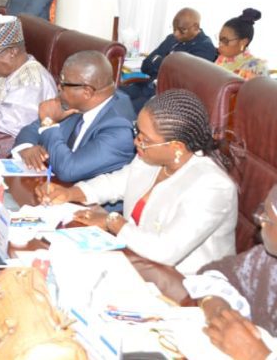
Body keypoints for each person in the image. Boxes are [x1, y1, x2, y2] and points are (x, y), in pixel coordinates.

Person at [40, 89, 237, 275]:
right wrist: (70, 193)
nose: (136, 142)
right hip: (137, 261)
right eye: (137, 131)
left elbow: (165, 251)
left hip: (186, 284)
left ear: (176, 147)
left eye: (145, 139)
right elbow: (116, 183)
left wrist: (112, 222)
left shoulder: (212, 187)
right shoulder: (152, 157)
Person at [12, 51, 136, 181]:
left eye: (64, 84)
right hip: (55, 184)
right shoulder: (81, 101)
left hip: (84, 191)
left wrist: (48, 124)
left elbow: (69, 170)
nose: (59, 87)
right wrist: (26, 148)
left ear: (87, 92)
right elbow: (31, 130)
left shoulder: (119, 130)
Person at [195, 183, 277, 358]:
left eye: (268, 218)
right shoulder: (267, 259)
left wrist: (256, 354)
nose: (261, 221)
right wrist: (220, 312)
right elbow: (217, 274)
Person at [120, 7, 218, 112]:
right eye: (174, 29)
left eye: (182, 30)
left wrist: (159, 61)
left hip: (163, 97)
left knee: (122, 109)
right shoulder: (171, 39)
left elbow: (181, 81)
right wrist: (165, 64)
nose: (176, 34)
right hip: (145, 86)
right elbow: (146, 66)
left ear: (196, 27)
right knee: (114, 95)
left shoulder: (205, 48)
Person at [216, 8, 268, 80]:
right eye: (220, 39)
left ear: (243, 42)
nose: (220, 44)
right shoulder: (223, 58)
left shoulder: (257, 67)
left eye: (225, 41)